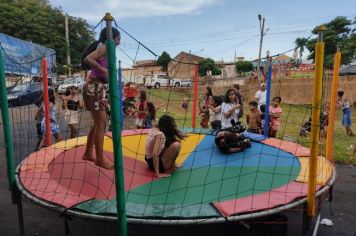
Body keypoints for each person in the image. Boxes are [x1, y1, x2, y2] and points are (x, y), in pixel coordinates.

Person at [81, 27, 121, 170]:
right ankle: (99, 158)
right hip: (95, 87)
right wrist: (104, 70)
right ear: (112, 38)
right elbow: (88, 59)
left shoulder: (107, 48)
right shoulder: (105, 46)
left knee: (97, 123)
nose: (119, 42)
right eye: (118, 39)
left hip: (98, 88)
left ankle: (87, 153)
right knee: (101, 124)